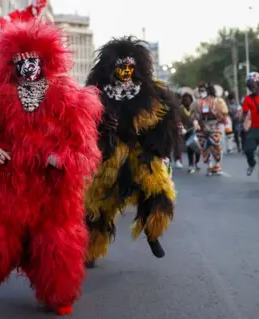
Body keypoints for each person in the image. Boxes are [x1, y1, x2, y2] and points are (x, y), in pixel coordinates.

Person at [0, 20, 102, 315]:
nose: (27, 67)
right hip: (10, 184)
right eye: (20, 61)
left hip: (51, 188)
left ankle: (59, 293)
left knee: (56, 243)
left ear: (45, 60)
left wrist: (62, 157)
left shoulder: (69, 98)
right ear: (10, 64)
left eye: (32, 60)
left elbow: (84, 146)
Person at [84, 36, 180, 268]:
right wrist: (102, 129)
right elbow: (84, 122)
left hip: (141, 152)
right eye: (121, 67)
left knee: (158, 193)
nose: (126, 72)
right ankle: (91, 250)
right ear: (111, 68)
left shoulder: (152, 92)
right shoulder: (96, 93)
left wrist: (155, 147)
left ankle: (152, 232)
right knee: (98, 206)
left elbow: (166, 123)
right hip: (109, 153)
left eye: (130, 67)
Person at [190, 82, 229, 176]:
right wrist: (195, 123)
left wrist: (226, 126)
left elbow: (223, 114)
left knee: (216, 145)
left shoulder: (217, 101)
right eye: (200, 90)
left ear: (209, 90)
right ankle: (209, 166)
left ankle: (217, 165)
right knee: (204, 147)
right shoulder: (197, 102)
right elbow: (194, 115)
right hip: (202, 126)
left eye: (203, 90)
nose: (201, 92)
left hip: (215, 125)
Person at [180, 93, 201, 173]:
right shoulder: (180, 109)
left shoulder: (194, 108)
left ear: (191, 100)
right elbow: (178, 121)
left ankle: (197, 162)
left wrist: (196, 122)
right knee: (190, 148)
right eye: (184, 99)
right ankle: (190, 165)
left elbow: (198, 116)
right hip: (187, 132)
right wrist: (182, 129)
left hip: (196, 131)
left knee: (198, 149)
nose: (186, 100)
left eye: (188, 98)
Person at [243, 72, 259, 176]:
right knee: (248, 150)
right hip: (253, 129)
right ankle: (252, 163)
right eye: (249, 85)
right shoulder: (248, 99)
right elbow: (245, 114)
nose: (251, 87)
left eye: (253, 84)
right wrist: (245, 123)